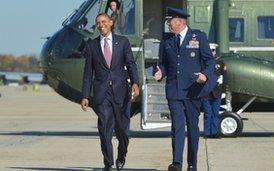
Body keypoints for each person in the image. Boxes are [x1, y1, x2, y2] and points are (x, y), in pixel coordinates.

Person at [154, 7, 216, 171]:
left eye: (170, 21)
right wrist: (160, 72)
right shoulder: (167, 41)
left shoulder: (198, 36)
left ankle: (192, 163)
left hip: (192, 90)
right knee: (177, 126)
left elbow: (210, 61)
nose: (168, 24)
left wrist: (205, 74)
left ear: (180, 22)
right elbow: (164, 64)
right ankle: (177, 163)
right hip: (174, 90)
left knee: (193, 127)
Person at [80, 13, 139, 171]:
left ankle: (122, 155)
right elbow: (87, 73)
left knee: (122, 131)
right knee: (105, 129)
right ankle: (108, 163)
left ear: (111, 23)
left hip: (121, 92)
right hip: (102, 94)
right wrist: (85, 95)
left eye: (104, 21)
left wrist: (135, 82)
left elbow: (131, 64)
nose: (101, 25)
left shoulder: (123, 42)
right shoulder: (91, 45)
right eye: (98, 23)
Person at [201, 43, 228, 139]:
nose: (211, 52)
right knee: (207, 113)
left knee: (215, 113)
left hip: (217, 91)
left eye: (213, 50)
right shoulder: (203, 62)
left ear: (215, 51)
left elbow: (225, 77)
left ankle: (215, 132)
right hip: (206, 92)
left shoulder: (220, 62)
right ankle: (207, 133)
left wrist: (224, 91)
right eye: (210, 50)